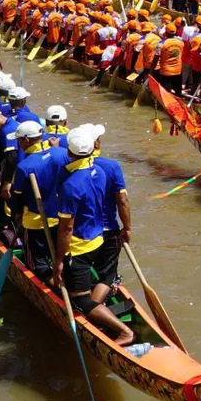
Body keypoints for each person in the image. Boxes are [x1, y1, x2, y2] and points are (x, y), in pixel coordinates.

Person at [53, 125, 141, 350]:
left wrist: (59, 261)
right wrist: (127, 227)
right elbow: (119, 200)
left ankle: (125, 331)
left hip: (81, 247)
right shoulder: (101, 171)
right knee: (106, 276)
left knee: (80, 302)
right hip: (100, 239)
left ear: (70, 153)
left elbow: (65, 229)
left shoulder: (70, 184)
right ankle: (98, 308)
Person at [5, 121, 65, 279]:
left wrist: (16, 214)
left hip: (36, 222)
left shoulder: (25, 166)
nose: (18, 143)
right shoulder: (61, 153)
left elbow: (17, 197)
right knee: (62, 255)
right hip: (62, 219)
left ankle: (53, 285)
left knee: (37, 264)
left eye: (18, 140)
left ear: (25, 140)